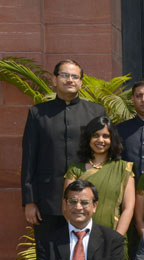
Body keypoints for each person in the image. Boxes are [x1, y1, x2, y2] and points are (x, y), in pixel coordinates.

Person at [21, 59, 105, 245]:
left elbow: (105, 153)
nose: (70, 80)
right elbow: (29, 158)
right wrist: (29, 202)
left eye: (75, 76)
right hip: (47, 200)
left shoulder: (96, 112)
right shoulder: (38, 113)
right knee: (47, 258)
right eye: (65, 75)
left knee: (82, 254)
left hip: (85, 199)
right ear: (54, 79)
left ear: (81, 82)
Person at [65, 116, 135, 237]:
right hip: (81, 238)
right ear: (88, 138)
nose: (100, 140)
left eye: (106, 136)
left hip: (113, 238)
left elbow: (128, 208)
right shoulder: (75, 169)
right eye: (95, 135)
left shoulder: (124, 169)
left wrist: (116, 238)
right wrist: (81, 236)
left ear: (112, 139)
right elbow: (66, 207)